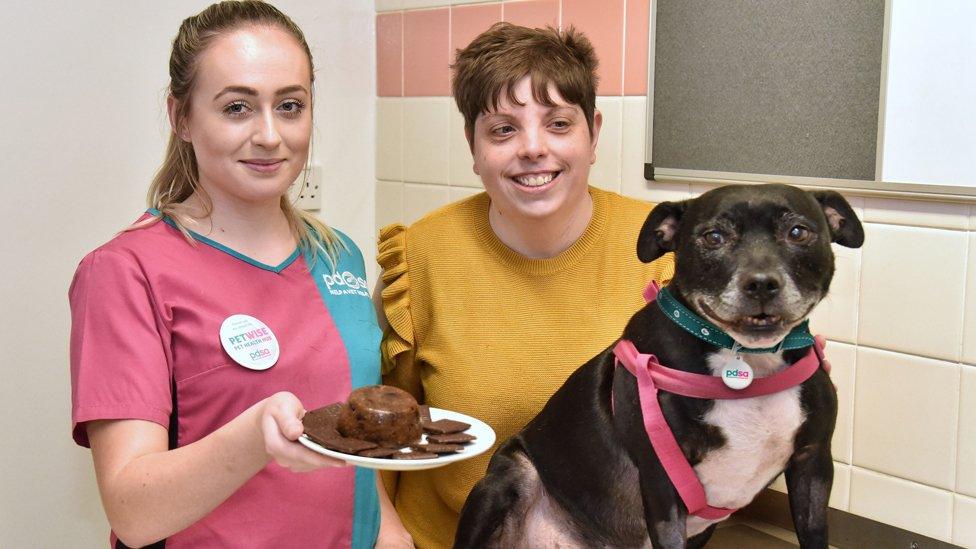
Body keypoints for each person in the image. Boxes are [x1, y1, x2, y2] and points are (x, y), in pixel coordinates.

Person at [68, 2, 411, 547]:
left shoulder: (339, 256)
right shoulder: (126, 272)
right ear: (181, 117)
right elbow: (132, 512)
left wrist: (391, 535)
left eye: (291, 105)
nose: (270, 135)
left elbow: (354, 456)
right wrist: (256, 436)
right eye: (237, 108)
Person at [377, 23, 676, 548]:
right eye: (502, 130)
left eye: (558, 123)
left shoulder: (661, 254)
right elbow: (381, 429)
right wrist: (387, 531)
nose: (533, 149)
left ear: (594, 133)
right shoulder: (420, 256)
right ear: (472, 145)